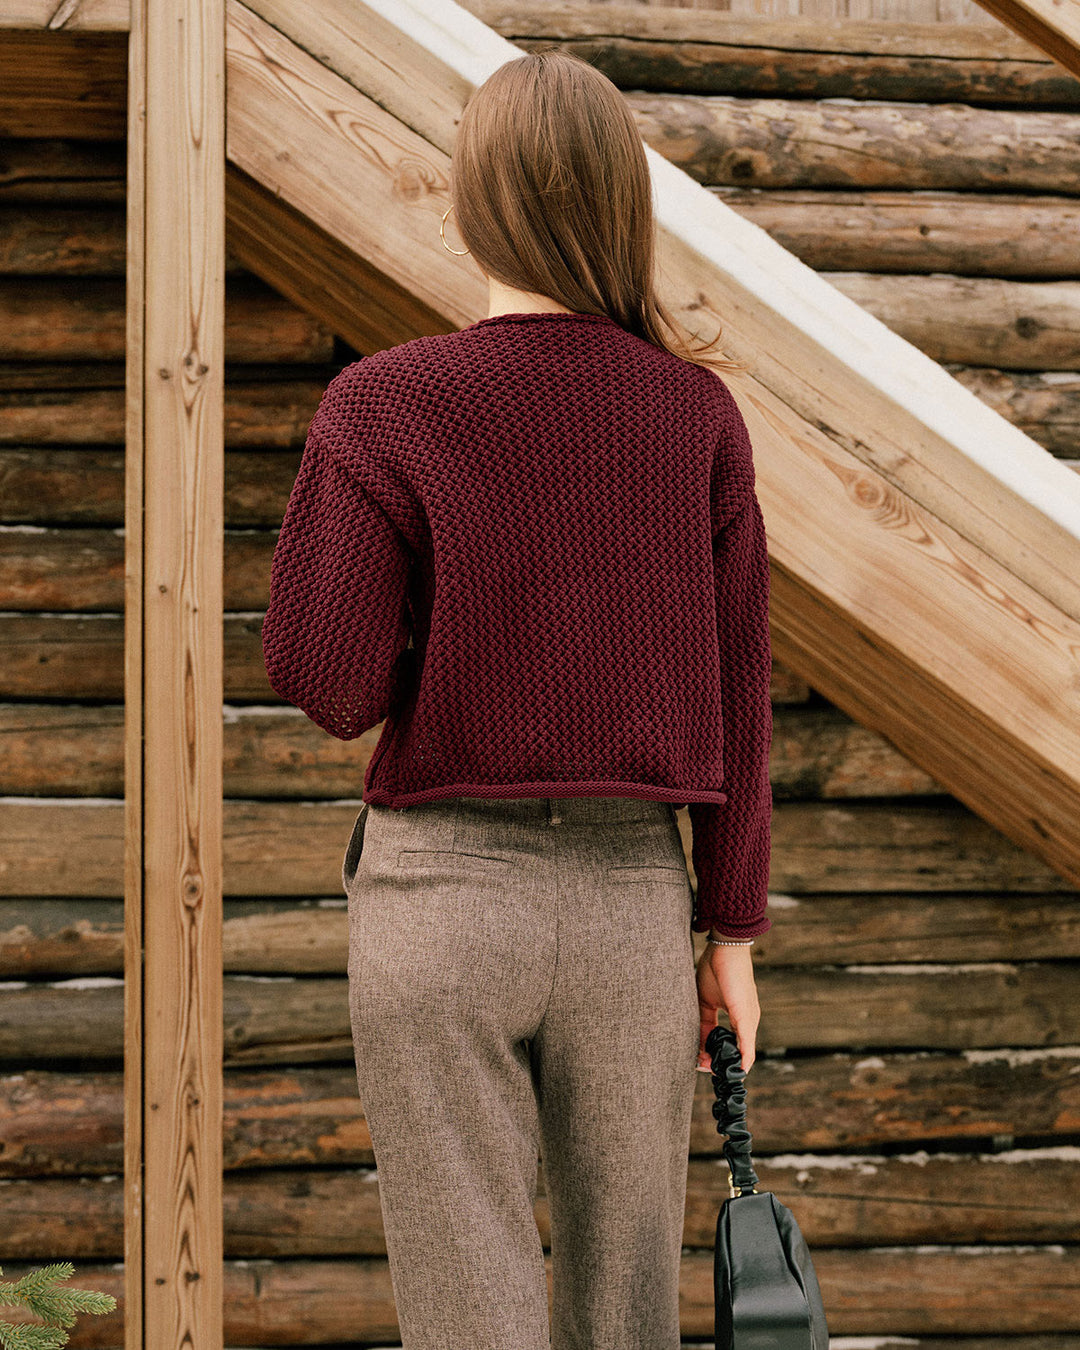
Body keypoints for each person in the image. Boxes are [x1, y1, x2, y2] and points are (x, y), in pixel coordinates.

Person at [261, 46, 772, 1350]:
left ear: (471, 202)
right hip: (628, 908)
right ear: (618, 204)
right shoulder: (697, 417)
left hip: (439, 906)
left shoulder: (384, 407)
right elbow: (736, 692)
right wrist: (730, 932)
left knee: (467, 1318)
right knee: (627, 1314)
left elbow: (324, 681)